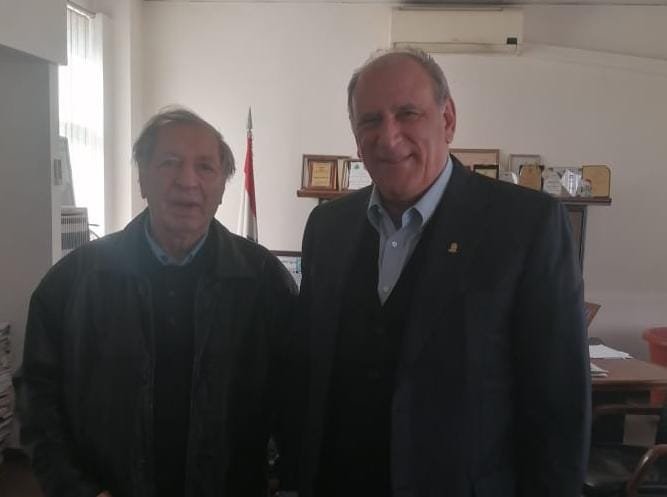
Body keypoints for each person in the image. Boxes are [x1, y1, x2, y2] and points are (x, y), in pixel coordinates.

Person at [297, 48, 590, 497]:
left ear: (447, 119)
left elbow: (559, 405)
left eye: (407, 114)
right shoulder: (327, 227)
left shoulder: (527, 225)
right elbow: (311, 374)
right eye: (370, 120)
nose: (388, 137)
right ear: (356, 137)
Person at [18, 107, 297, 497]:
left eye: (205, 167)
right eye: (169, 163)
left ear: (222, 186)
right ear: (142, 178)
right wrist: (76, 489)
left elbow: (296, 403)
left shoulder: (265, 282)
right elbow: (37, 401)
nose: (187, 181)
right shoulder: (73, 283)